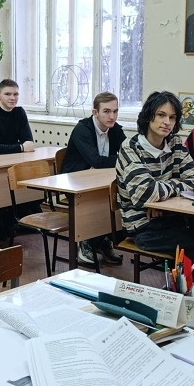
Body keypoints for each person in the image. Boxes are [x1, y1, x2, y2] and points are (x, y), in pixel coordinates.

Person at [116, 90, 194, 267]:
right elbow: (146, 193)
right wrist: (175, 185)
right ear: (148, 116)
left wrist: (160, 199)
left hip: (171, 219)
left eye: (172, 117)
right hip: (142, 227)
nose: (167, 122)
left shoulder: (175, 143)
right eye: (161, 115)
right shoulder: (130, 148)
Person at [60, 92, 126, 266]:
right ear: (95, 112)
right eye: (106, 111)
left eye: (115, 111)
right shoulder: (82, 129)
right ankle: (86, 243)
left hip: (99, 180)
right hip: (75, 182)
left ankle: (102, 241)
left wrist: (124, 158)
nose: (112, 116)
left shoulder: (115, 129)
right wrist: (121, 159)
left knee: (119, 197)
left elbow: (129, 152)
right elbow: (96, 161)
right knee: (100, 202)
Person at [0, 79, 37, 241]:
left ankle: (17, 222)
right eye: (8, 94)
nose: (13, 98)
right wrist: (20, 147)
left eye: (16, 94)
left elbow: (29, 141)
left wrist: (20, 147)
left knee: (31, 186)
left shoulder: (19, 113)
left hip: (14, 162)